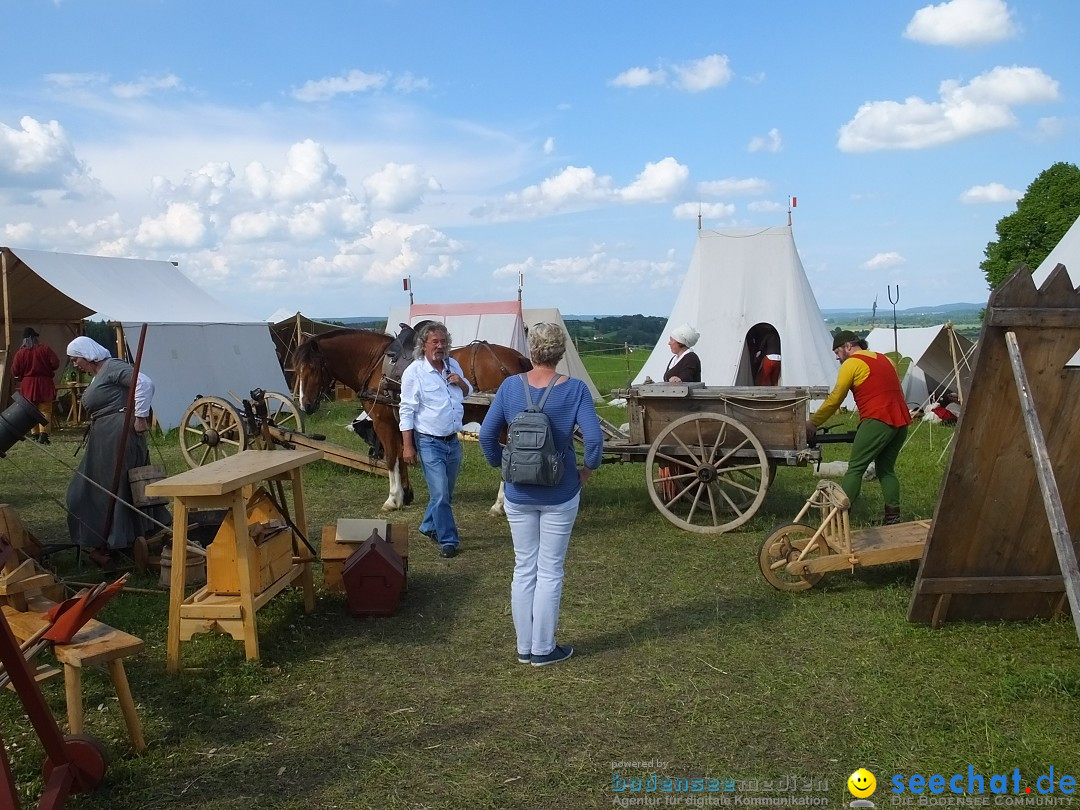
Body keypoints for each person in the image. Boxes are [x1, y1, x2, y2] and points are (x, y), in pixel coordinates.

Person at [479, 323, 603, 667]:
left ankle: (524, 647)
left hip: (518, 493)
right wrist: (587, 470)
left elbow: (488, 436)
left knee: (523, 568)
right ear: (561, 352)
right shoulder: (575, 389)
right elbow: (593, 440)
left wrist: (501, 468)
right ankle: (543, 648)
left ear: (531, 352)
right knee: (550, 570)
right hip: (560, 491)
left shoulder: (509, 387)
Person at [65, 336, 165, 566]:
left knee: (114, 488)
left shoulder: (113, 367)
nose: (74, 364)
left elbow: (144, 383)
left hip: (118, 436)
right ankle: (111, 538)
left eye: (75, 359)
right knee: (89, 490)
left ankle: (117, 541)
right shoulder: (100, 374)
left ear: (87, 354)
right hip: (105, 438)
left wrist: (140, 417)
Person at [806, 330, 912, 525]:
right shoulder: (885, 360)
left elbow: (836, 398)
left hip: (877, 419)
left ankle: (838, 517)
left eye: (838, 352)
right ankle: (893, 517)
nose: (837, 357)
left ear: (848, 346)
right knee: (886, 470)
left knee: (855, 468)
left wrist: (813, 422)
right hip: (901, 420)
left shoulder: (852, 364)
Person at [399, 321, 472, 559]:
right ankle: (448, 540)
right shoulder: (415, 372)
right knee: (440, 494)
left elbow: (468, 391)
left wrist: (460, 382)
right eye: (435, 342)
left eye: (444, 342)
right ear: (423, 345)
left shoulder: (454, 365)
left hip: (453, 440)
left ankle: (429, 525)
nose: (440, 346)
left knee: (445, 493)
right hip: (429, 441)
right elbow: (407, 410)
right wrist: (408, 446)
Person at [10, 326, 60, 444]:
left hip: (28, 384)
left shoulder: (20, 353)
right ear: (34, 338)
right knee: (45, 410)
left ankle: (35, 434)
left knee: (30, 410)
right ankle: (44, 434)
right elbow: (55, 363)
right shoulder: (45, 349)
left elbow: (14, 371)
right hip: (44, 383)